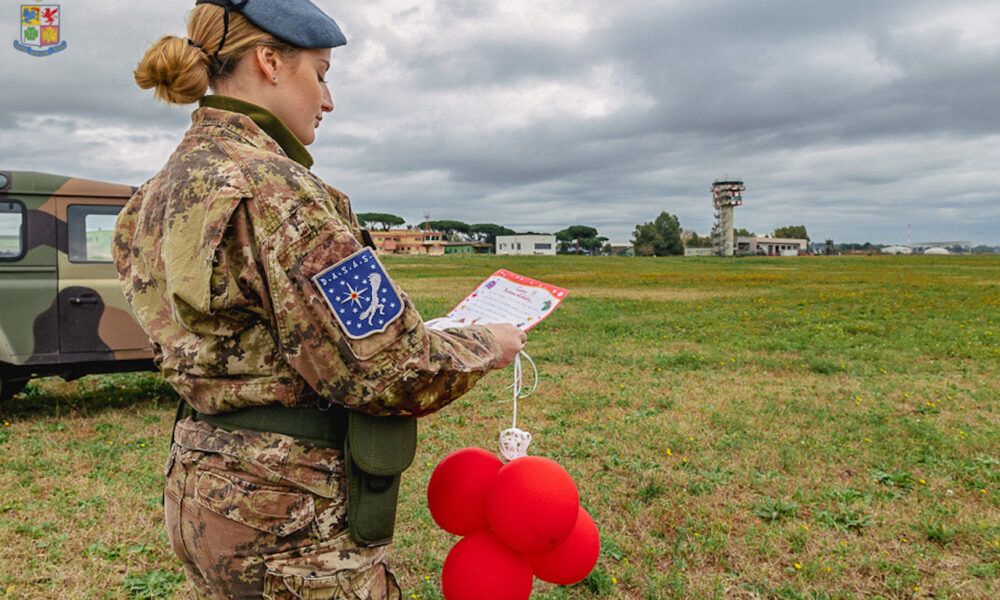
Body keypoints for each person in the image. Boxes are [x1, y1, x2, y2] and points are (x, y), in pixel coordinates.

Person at [115, 1, 526, 598]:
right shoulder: (277, 190)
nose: (328, 100)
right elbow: (391, 370)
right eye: (322, 74)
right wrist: (488, 341)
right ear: (270, 61)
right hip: (291, 524)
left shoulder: (158, 190)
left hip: (204, 490)